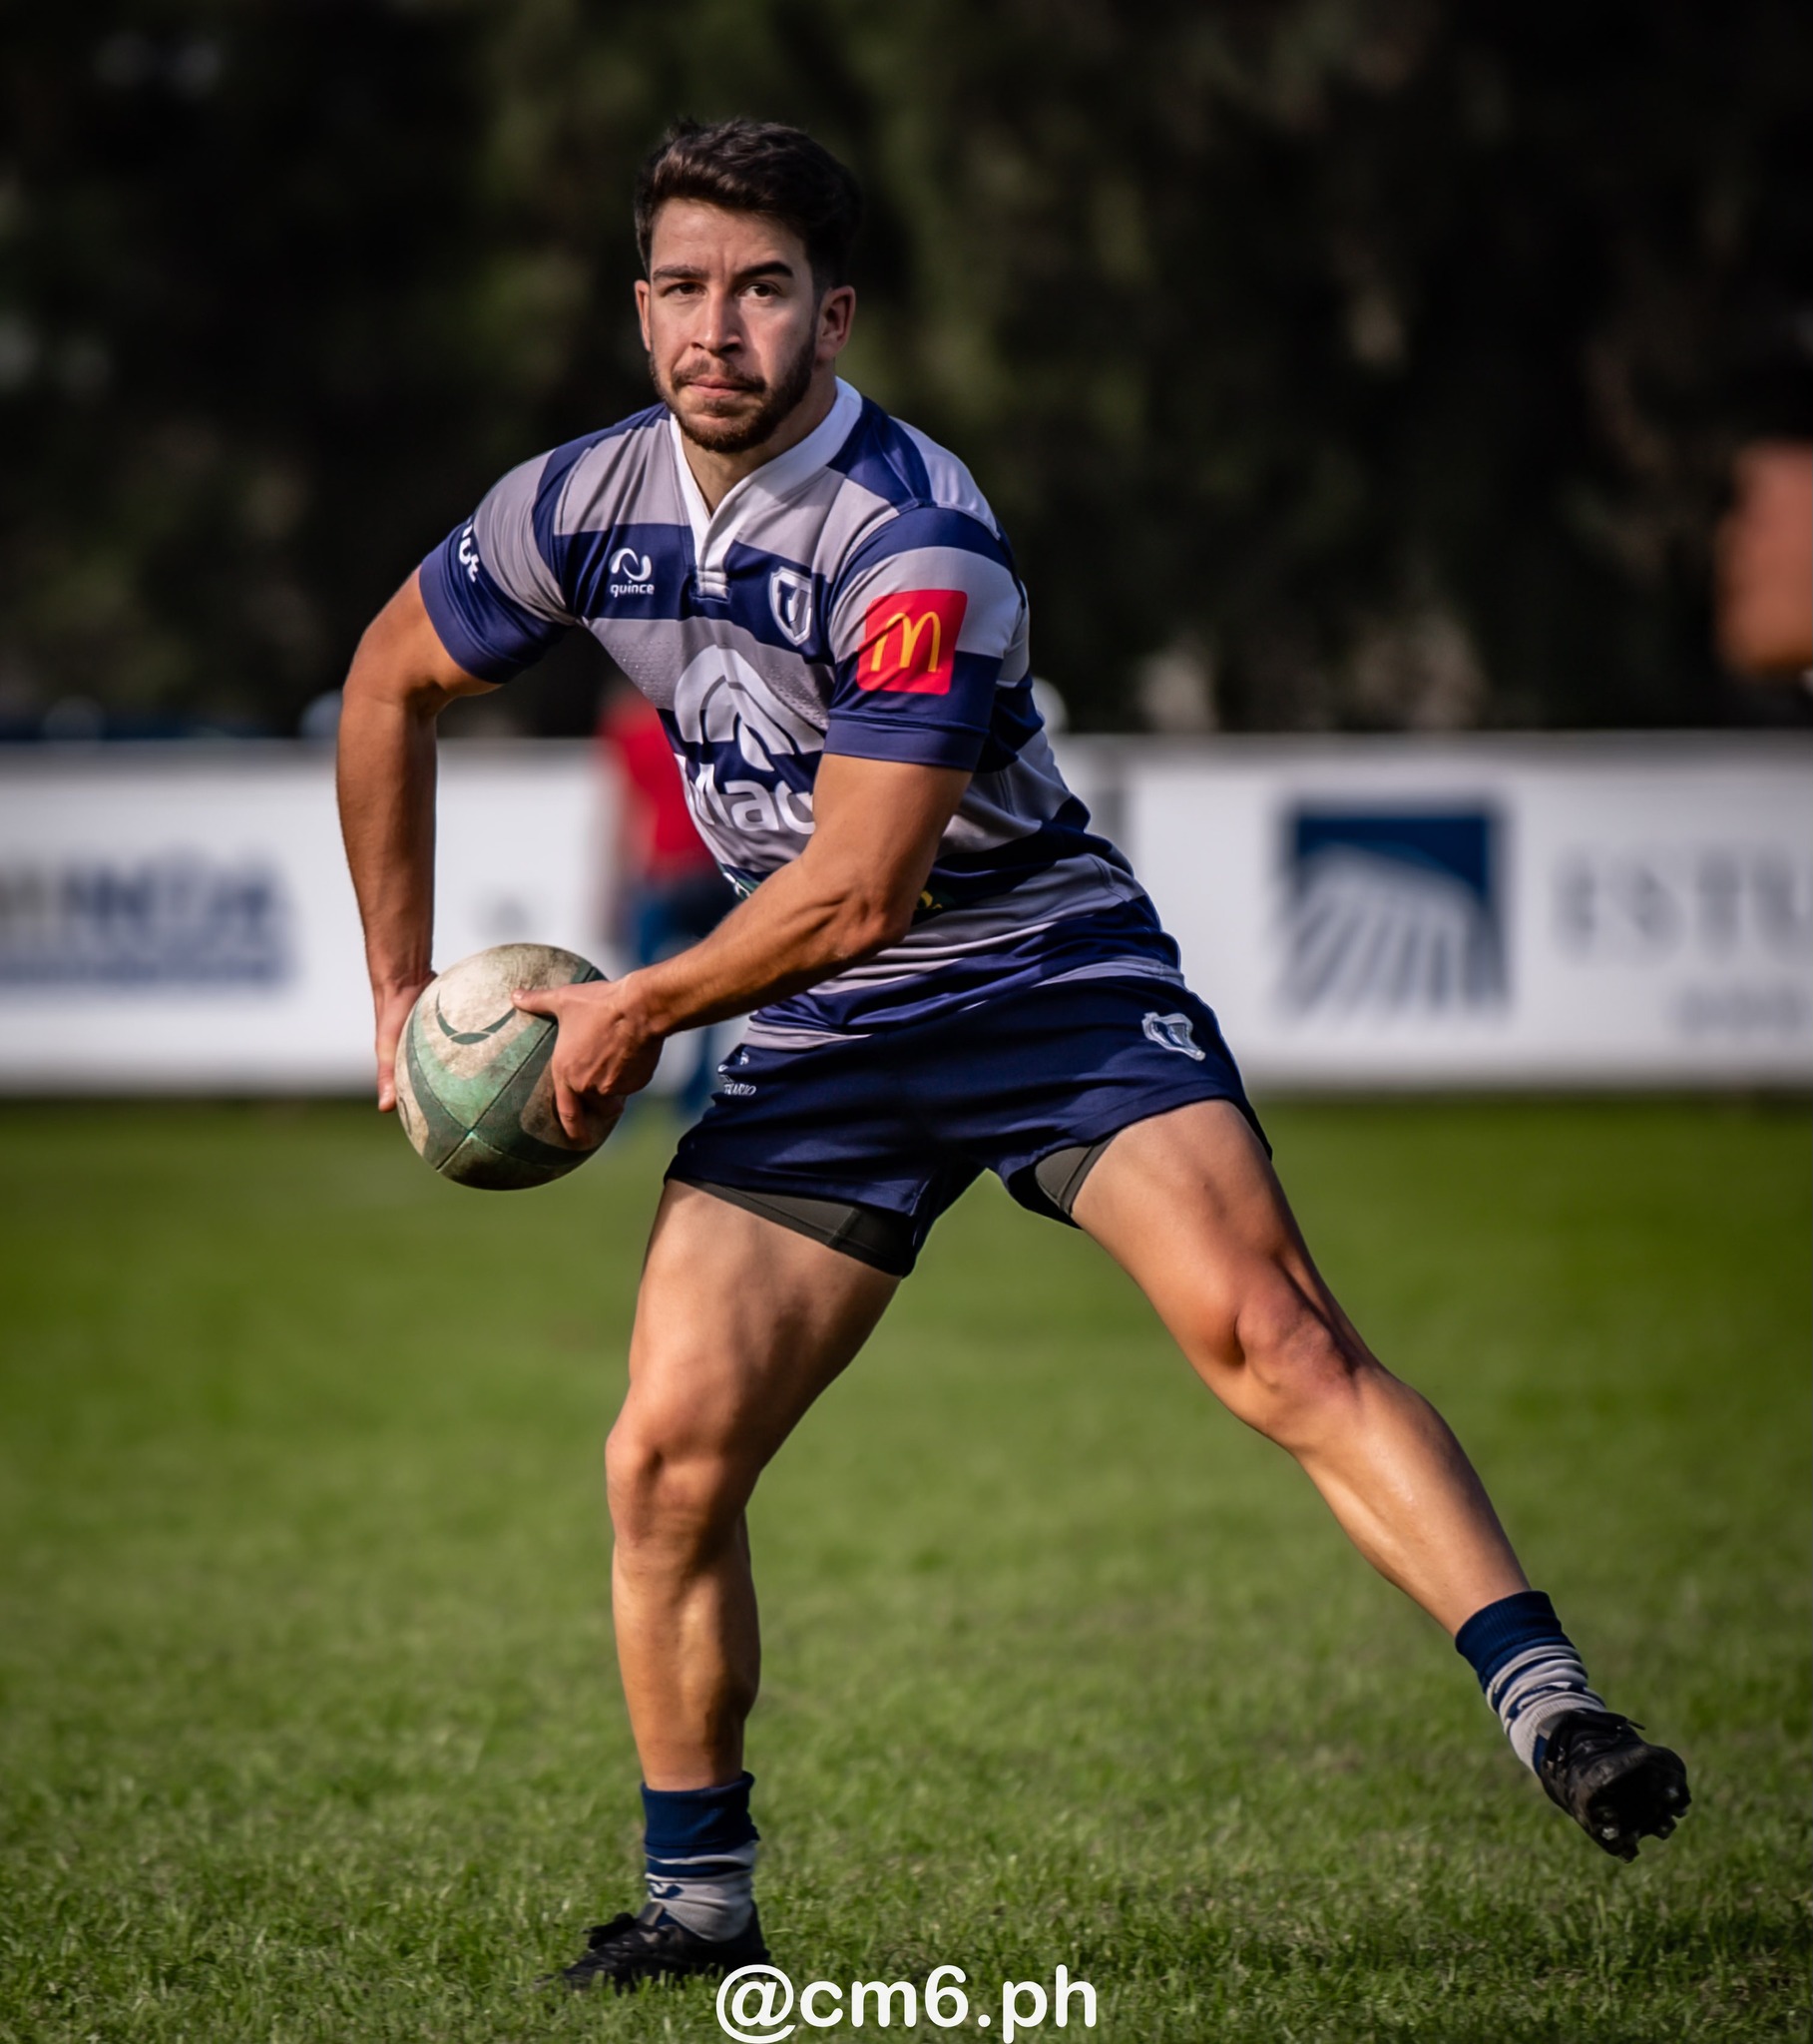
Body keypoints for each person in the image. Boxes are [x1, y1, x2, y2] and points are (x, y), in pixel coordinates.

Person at [335, 118, 1689, 1995]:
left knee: (1274, 1335)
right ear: (636, 306)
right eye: (682, 287)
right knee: (664, 1459)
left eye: (760, 289)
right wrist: (397, 993)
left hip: (1035, 976)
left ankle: (1554, 1710)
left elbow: (863, 889)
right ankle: (699, 1911)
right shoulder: (575, 502)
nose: (715, 328)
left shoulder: (915, 534)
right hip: (820, 1029)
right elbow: (386, 679)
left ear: (833, 314)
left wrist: (637, 1004)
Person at [597, 682, 737, 1120]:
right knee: (713, 987)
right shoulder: (711, 712)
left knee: (635, 994)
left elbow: (624, 811)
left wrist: (615, 885)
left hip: (670, 873)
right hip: (705, 869)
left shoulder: (631, 724)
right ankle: (689, 1097)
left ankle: (627, 1095)